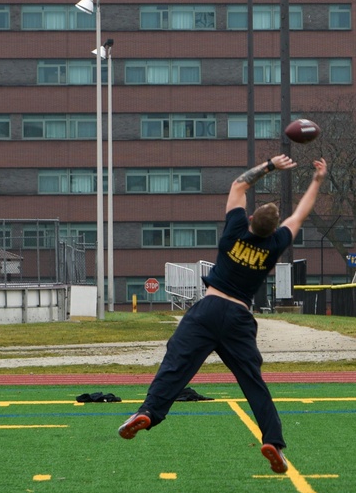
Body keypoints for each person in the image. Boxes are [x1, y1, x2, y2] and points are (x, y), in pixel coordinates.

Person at [118, 155, 329, 474]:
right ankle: (273, 440)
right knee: (253, 382)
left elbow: (239, 184)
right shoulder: (275, 245)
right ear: (275, 231)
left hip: (209, 308)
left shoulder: (234, 231)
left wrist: (270, 165)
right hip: (239, 318)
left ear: (249, 219)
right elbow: (301, 213)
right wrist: (316, 179)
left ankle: (149, 410)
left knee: (176, 362)